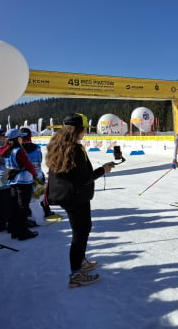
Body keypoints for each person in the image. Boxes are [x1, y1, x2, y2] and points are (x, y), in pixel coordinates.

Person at [45, 113, 114, 288]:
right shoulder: (74, 149)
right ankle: (75, 274)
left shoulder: (61, 145)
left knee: (84, 228)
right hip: (75, 196)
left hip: (69, 195)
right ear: (77, 130)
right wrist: (103, 170)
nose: (85, 132)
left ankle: (80, 261)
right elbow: (84, 178)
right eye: (84, 129)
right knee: (80, 233)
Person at [0, 128, 40, 240]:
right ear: (17, 138)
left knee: (14, 206)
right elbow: (28, 165)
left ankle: (14, 230)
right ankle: (23, 232)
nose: (22, 138)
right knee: (23, 207)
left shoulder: (6, 150)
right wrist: (35, 175)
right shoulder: (18, 150)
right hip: (23, 181)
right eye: (21, 137)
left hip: (12, 181)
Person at [19, 127, 56, 218]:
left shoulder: (18, 149)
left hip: (24, 176)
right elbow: (40, 159)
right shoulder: (37, 148)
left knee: (26, 196)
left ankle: (28, 212)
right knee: (41, 194)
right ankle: (46, 211)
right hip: (37, 174)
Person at [0, 128, 10, 232]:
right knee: (5, 202)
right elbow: (7, 160)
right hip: (2, 178)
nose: (5, 137)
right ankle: (4, 223)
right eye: (3, 135)